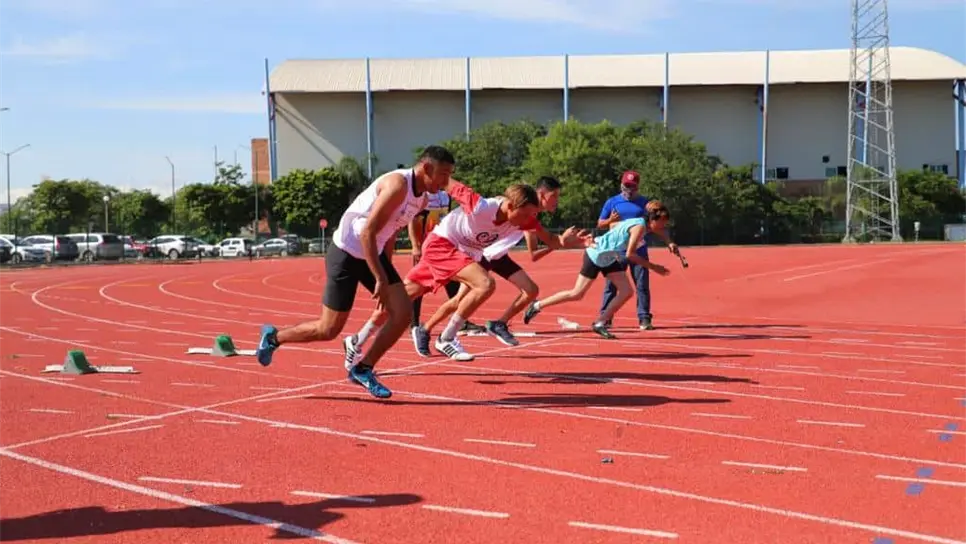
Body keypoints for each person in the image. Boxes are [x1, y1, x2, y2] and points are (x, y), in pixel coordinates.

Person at [254, 146, 456, 399]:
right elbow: (367, 232)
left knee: (402, 313)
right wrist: (381, 279)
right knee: (328, 329)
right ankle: (274, 337)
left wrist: (386, 269)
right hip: (347, 252)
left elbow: (391, 231)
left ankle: (363, 368)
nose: (446, 182)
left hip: (372, 252)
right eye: (444, 174)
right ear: (427, 168)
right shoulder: (397, 185)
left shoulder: (422, 199)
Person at [345, 180, 586, 367]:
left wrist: (567, 242)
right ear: (510, 205)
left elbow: (552, 240)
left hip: (464, 253)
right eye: (524, 215)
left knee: (400, 298)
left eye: (531, 216)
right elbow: (448, 182)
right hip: (442, 243)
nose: (528, 222)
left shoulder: (525, 220)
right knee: (484, 284)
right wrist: (420, 180)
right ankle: (446, 337)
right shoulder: (481, 205)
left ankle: (357, 339)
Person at [419, 176, 583, 347]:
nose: (557, 201)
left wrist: (566, 241)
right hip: (483, 254)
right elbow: (535, 248)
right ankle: (427, 328)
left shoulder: (529, 217)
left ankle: (499, 324)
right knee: (460, 299)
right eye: (554, 196)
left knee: (531, 290)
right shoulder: (511, 206)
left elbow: (551, 240)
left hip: (499, 256)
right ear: (542, 194)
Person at [523, 203, 672, 339]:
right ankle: (536, 306)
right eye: (663, 222)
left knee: (626, 291)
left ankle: (600, 323)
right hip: (596, 254)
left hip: (608, 258)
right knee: (577, 293)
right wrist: (654, 267)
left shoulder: (639, 224)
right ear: (653, 220)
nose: (664, 225)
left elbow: (615, 228)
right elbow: (630, 254)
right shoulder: (639, 227)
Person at [597, 171, 677, 330]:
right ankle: (605, 317)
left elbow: (657, 224)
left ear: (638, 186)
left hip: (638, 249)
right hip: (617, 250)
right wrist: (610, 220)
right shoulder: (612, 202)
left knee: (642, 285)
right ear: (621, 184)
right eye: (627, 185)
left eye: (632, 186)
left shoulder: (646, 204)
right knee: (611, 285)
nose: (629, 189)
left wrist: (669, 242)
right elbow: (600, 224)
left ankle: (644, 318)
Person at [408, 188, 486, 334]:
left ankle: (461, 321)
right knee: (418, 285)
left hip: (443, 245)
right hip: (426, 247)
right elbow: (412, 221)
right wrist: (415, 246)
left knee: (453, 282)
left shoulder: (445, 196)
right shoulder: (423, 196)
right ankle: (413, 323)